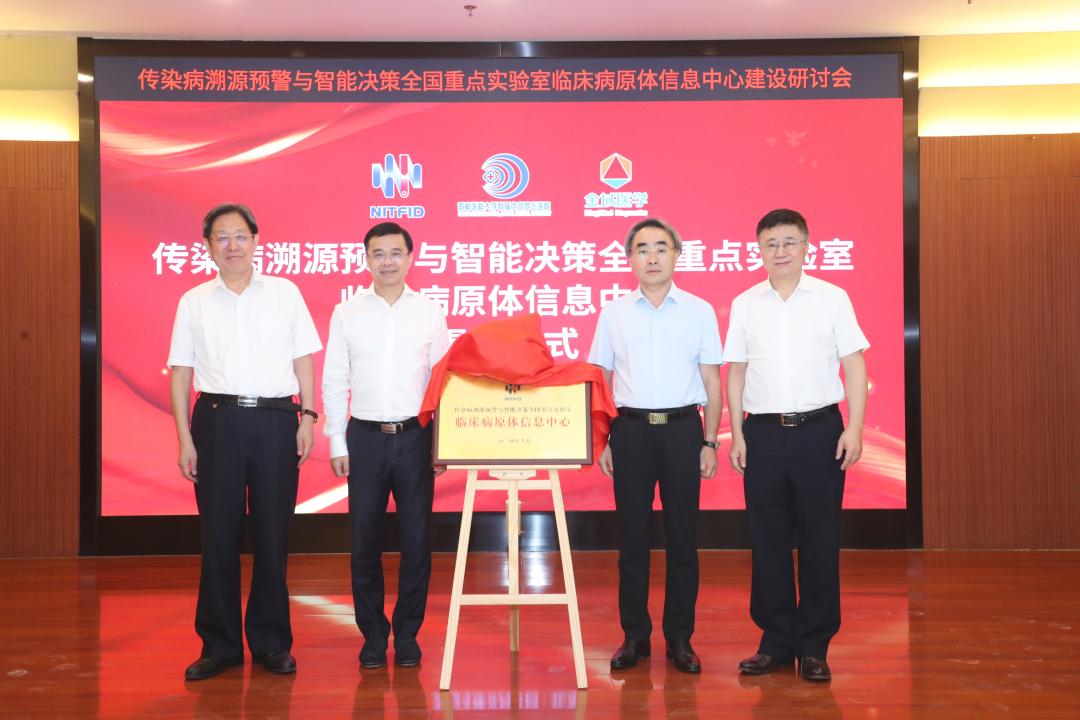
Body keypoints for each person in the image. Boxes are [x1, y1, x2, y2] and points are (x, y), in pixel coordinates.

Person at [168, 203, 322, 681]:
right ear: (208, 246)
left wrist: (308, 417)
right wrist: (184, 438)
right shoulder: (194, 301)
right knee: (218, 535)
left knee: (273, 534)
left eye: (240, 235)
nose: (232, 245)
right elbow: (181, 373)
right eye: (222, 237)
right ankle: (220, 646)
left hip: (277, 421)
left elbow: (303, 360)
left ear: (256, 240)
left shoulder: (285, 292)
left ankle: (272, 642)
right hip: (216, 422)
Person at [724, 208, 869, 683]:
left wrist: (855, 428)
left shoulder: (832, 298)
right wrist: (737, 434)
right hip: (763, 434)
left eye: (789, 242)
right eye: (771, 244)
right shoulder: (746, 303)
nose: (780, 251)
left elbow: (854, 365)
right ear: (759, 250)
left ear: (807, 246)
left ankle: (814, 646)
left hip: (820, 433)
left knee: (819, 540)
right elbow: (737, 372)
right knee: (767, 540)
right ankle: (775, 641)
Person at [588, 217, 723, 674]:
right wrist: (602, 439)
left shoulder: (699, 311)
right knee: (633, 540)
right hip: (630, 433)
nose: (652, 257)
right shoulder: (614, 313)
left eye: (661, 248)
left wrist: (710, 441)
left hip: (684, 431)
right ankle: (635, 635)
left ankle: (680, 637)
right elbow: (601, 379)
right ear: (629, 259)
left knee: (683, 538)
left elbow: (712, 379)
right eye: (642, 249)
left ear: (676, 255)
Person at [322, 221, 450, 670]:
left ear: (411, 258)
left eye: (396, 253)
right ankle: (373, 636)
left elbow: (441, 383)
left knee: (416, 544)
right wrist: (336, 440)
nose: (388, 261)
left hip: (416, 438)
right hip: (364, 439)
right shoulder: (347, 313)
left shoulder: (430, 312)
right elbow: (334, 379)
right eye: (378, 253)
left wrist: (442, 442)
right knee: (364, 543)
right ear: (367, 259)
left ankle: (408, 635)